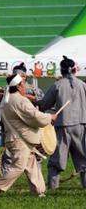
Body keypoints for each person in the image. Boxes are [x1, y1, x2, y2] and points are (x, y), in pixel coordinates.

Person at [0, 74, 56, 198]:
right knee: (19, 166)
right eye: (23, 84)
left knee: (31, 165)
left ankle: (39, 192)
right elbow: (34, 116)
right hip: (20, 139)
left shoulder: (8, 98)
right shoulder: (19, 100)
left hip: (18, 138)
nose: (25, 86)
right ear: (19, 86)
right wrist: (50, 117)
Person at [37, 56, 86, 189]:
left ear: (62, 70)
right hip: (81, 125)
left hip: (63, 125)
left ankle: (53, 187)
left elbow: (45, 103)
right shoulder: (83, 85)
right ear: (74, 69)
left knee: (57, 158)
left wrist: (35, 101)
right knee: (83, 158)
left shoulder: (57, 85)